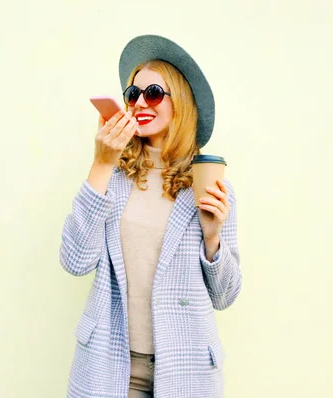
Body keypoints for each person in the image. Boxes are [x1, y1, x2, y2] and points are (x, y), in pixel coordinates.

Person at [59, 34, 242, 398]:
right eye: (133, 95)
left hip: (186, 369)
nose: (140, 102)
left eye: (154, 93)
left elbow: (225, 296)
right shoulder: (112, 176)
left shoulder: (209, 183)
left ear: (181, 104)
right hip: (110, 366)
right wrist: (100, 162)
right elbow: (75, 261)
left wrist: (212, 239)